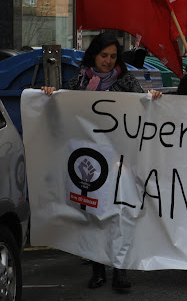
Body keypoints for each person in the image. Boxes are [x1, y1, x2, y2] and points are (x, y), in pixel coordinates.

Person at [41, 33, 163, 292]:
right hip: (89, 160)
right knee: (92, 215)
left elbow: (144, 110)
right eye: (103, 55)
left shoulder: (126, 80)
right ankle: (98, 269)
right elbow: (61, 107)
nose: (108, 61)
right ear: (93, 55)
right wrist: (50, 94)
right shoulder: (80, 81)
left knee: (121, 215)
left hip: (121, 161)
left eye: (113, 56)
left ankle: (120, 270)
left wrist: (152, 98)